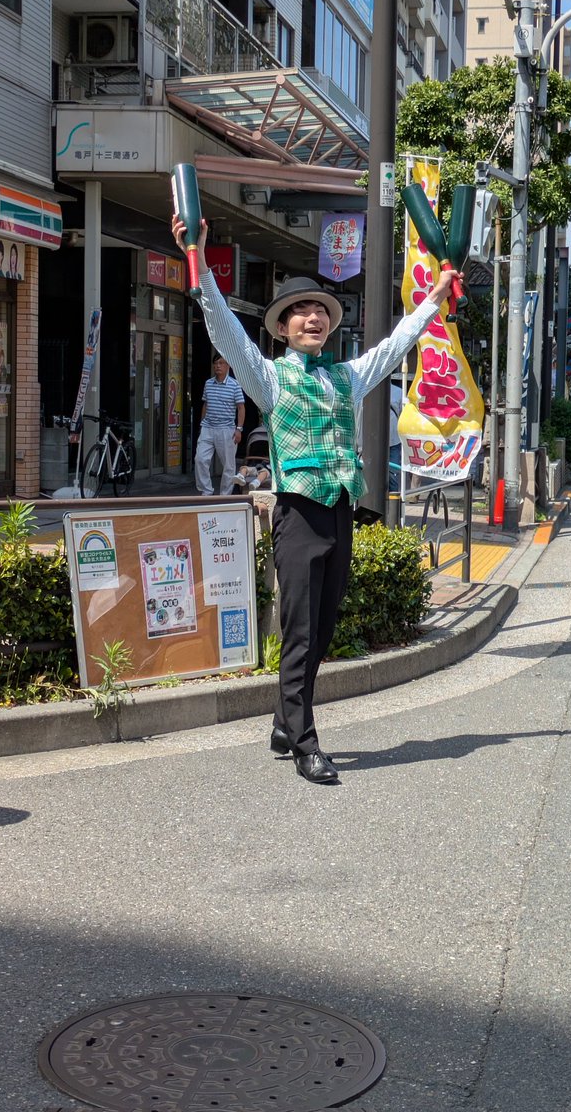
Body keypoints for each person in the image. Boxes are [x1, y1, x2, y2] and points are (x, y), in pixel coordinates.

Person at [173, 212, 459, 785]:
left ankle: (284, 721)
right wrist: (198, 259)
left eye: (321, 312)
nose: (313, 318)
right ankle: (304, 743)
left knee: (323, 628)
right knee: (301, 631)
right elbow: (224, 326)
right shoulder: (269, 377)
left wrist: (433, 301)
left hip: (340, 511)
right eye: (301, 312)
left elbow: (394, 345)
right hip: (298, 513)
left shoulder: (343, 378)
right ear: (282, 328)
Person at [195, 353, 246, 495]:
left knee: (228, 465)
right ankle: (206, 492)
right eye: (216, 363)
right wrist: (201, 424)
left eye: (221, 363)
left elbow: (241, 407)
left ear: (228, 366)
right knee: (200, 459)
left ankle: (225, 495)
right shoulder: (208, 383)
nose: (218, 366)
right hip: (208, 427)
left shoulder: (234, 385)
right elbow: (205, 404)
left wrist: (239, 429)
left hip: (227, 429)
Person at [233, 424, 271, 491]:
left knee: (264, 473)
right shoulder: (257, 456)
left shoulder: (272, 459)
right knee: (244, 468)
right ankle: (240, 476)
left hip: (266, 469)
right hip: (255, 466)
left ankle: (256, 482)